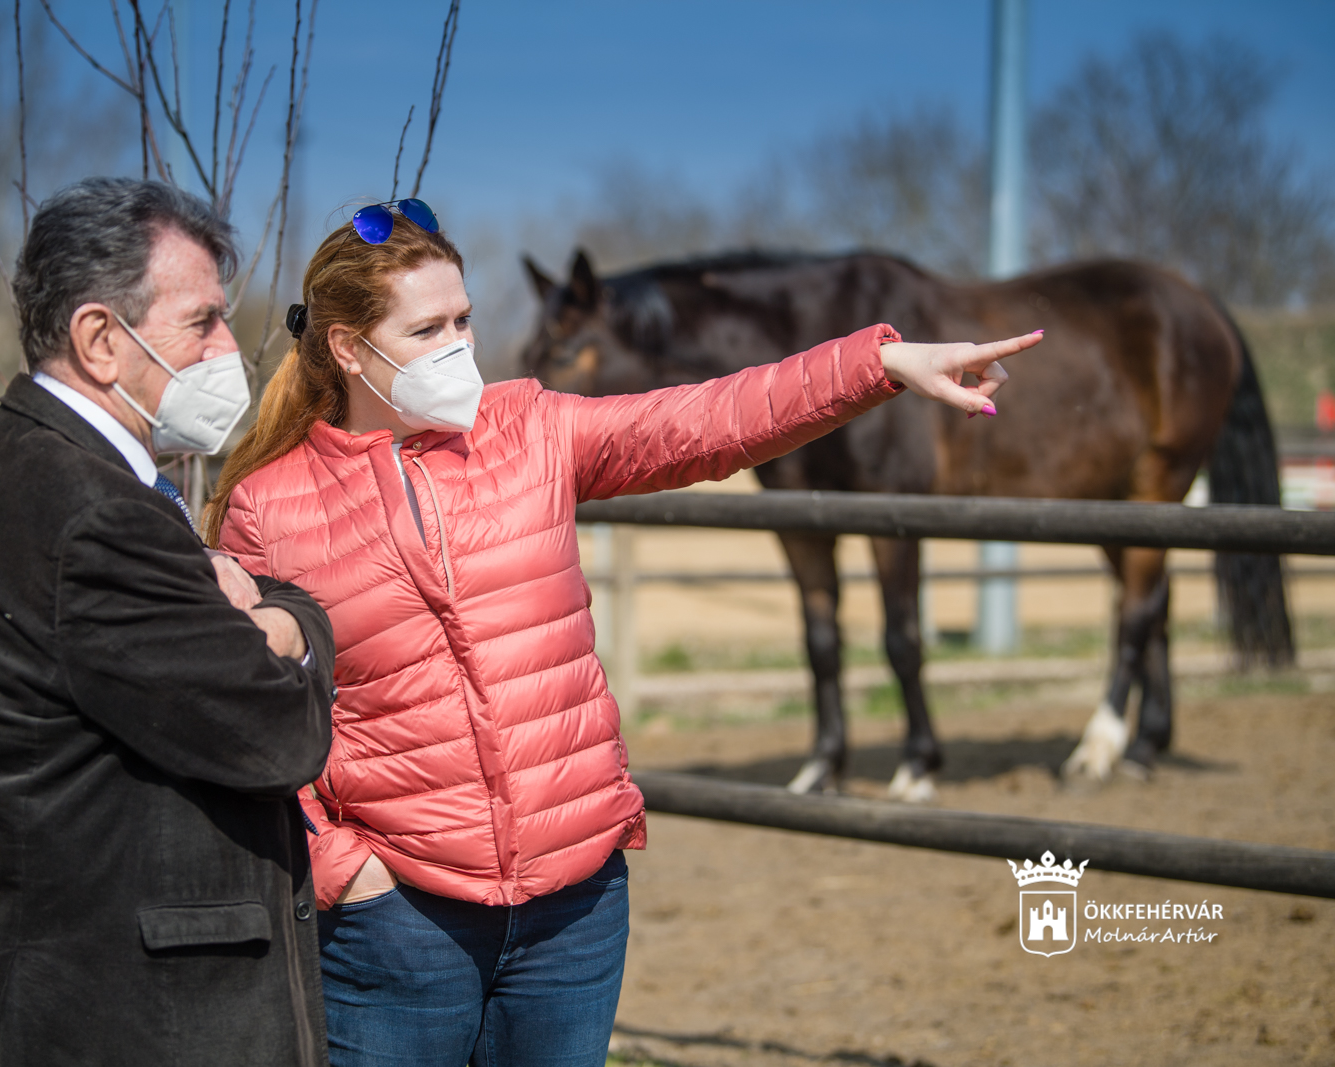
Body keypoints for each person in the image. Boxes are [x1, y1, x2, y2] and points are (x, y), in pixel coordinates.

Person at [205, 199, 1040, 1067]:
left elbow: (711, 419)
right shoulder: (270, 507)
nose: (458, 347)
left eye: (465, 320)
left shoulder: (528, 429)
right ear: (348, 348)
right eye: (427, 329)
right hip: (399, 924)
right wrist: (345, 871)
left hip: (575, 913)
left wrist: (882, 363)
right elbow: (251, 723)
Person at [0, 177, 338, 1067]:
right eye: (203, 322)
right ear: (101, 338)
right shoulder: (91, 512)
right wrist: (292, 624)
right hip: (121, 1014)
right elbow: (275, 731)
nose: (231, 348)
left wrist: (259, 613)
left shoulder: (53, 465)